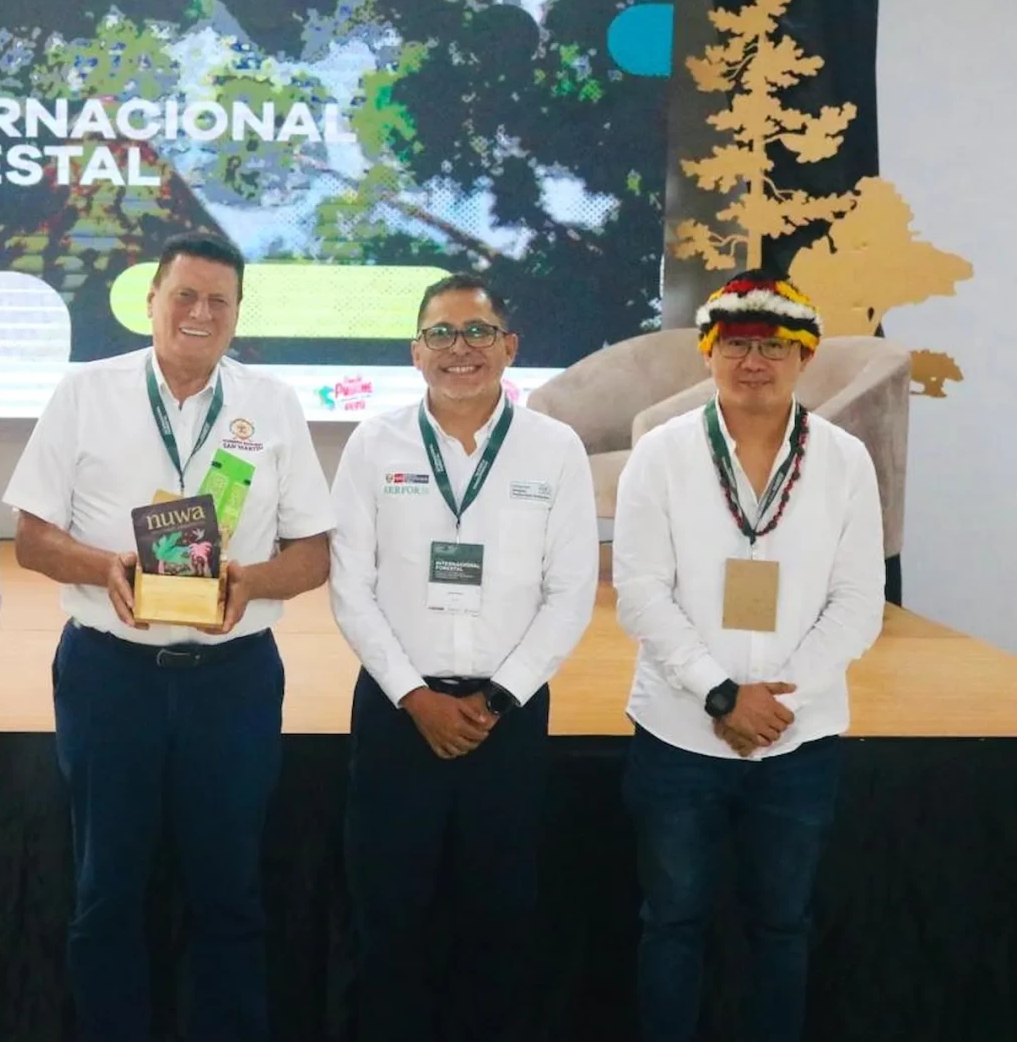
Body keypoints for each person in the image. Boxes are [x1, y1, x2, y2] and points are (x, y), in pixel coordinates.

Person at [3, 230, 334, 1041]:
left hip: (233, 682)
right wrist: (104, 565)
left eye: (218, 300)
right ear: (150, 302)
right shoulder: (85, 392)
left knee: (230, 892)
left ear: (237, 316)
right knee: (107, 889)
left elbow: (315, 553)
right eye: (183, 295)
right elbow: (33, 539)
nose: (200, 312)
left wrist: (250, 581)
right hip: (110, 679)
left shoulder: (274, 405)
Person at [613, 271, 885, 1042]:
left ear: (805, 358)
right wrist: (722, 696)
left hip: (798, 742)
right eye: (735, 346)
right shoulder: (661, 454)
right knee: (671, 923)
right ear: (708, 355)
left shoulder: (844, 461)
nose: (753, 362)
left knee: (783, 927)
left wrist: (777, 706)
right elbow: (640, 593)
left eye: (772, 346)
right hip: (678, 735)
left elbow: (860, 602)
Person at [328, 273, 599, 1040]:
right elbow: (351, 588)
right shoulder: (373, 444)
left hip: (504, 721)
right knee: (387, 922)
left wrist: (496, 701)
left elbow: (570, 593)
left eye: (478, 332)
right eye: (441, 334)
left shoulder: (555, 450)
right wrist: (416, 698)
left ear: (510, 347)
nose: (460, 350)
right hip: (395, 716)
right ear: (416, 353)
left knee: (500, 924)